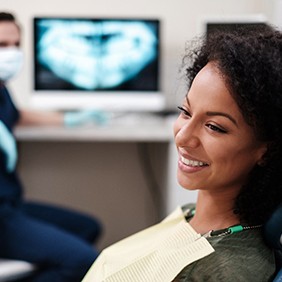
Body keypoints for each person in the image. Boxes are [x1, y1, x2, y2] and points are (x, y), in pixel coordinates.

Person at [82, 24, 282, 281]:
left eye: (214, 127)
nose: (183, 135)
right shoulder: (189, 215)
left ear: (267, 150)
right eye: (186, 111)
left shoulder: (227, 271)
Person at [0, 12, 104, 282]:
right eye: (1, 45)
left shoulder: (2, 89)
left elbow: (18, 114)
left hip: (12, 205)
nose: (11, 53)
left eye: (16, 44)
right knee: (85, 261)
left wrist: (69, 118)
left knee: (87, 228)